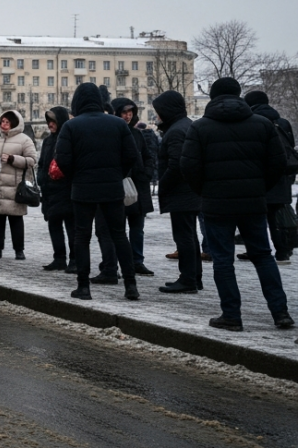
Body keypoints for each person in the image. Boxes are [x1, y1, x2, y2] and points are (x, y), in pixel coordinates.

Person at [182, 78, 291, 331]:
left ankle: (231, 315)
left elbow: (188, 166)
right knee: (263, 256)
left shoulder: (201, 128)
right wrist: (259, 188)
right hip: (253, 202)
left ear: (212, 96)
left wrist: (205, 191)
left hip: (216, 204)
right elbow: (278, 163)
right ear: (238, 94)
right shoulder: (262, 124)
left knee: (222, 260)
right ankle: (280, 312)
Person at [53, 82, 141, 301]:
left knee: (82, 236)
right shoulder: (117, 124)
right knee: (119, 235)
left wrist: (77, 177)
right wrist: (116, 174)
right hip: (112, 188)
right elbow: (132, 155)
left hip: (83, 189)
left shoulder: (71, 126)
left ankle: (83, 287)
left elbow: (62, 159)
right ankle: (131, 286)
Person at [153, 91, 203, 294]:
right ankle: (193, 277)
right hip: (189, 192)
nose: (156, 117)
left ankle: (188, 279)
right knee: (190, 235)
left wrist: (163, 185)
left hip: (181, 193)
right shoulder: (186, 125)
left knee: (184, 236)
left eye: (158, 112)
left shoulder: (175, 131)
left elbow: (176, 165)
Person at [244, 91, 297, 264]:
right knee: (277, 215)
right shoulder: (282, 122)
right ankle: (283, 250)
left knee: (258, 217)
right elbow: (290, 147)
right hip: (282, 176)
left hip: (260, 177)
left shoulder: (252, 122)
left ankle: (263, 250)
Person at [110, 98, 156, 277]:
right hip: (119, 186)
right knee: (117, 228)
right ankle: (114, 262)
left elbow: (147, 156)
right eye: (124, 112)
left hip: (138, 187)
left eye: (131, 112)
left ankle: (137, 261)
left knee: (137, 228)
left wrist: (146, 172)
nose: (128, 115)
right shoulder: (112, 132)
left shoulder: (137, 134)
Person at [0, 109, 37, 265]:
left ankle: (19, 250)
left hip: (15, 187)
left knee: (16, 220)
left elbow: (31, 160)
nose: (3, 125)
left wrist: (12, 159)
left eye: (7, 122)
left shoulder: (24, 140)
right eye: (2, 121)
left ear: (14, 124)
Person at [38, 107, 75, 273]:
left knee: (71, 227)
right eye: (49, 121)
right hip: (50, 191)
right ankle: (59, 258)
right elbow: (41, 164)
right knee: (54, 226)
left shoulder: (69, 138)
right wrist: (41, 178)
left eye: (53, 121)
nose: (50, 124)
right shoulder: (47, 141)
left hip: (66, 190)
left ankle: (74, 259)